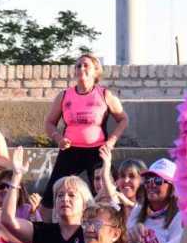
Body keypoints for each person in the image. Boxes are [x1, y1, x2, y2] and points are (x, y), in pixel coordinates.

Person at [41, 53, 129, 221]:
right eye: (78, 65)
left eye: (85, 65)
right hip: (70, 151)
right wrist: (58, 138)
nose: (81, 68)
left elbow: (123, 119)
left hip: (97, 151)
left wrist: (111, 142)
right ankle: (47, 232)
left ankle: (111, 230)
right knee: (51, 195)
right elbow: (49, 123)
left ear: (96, 71)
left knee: (106, 193)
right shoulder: (64, 95)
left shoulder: (104, 94)